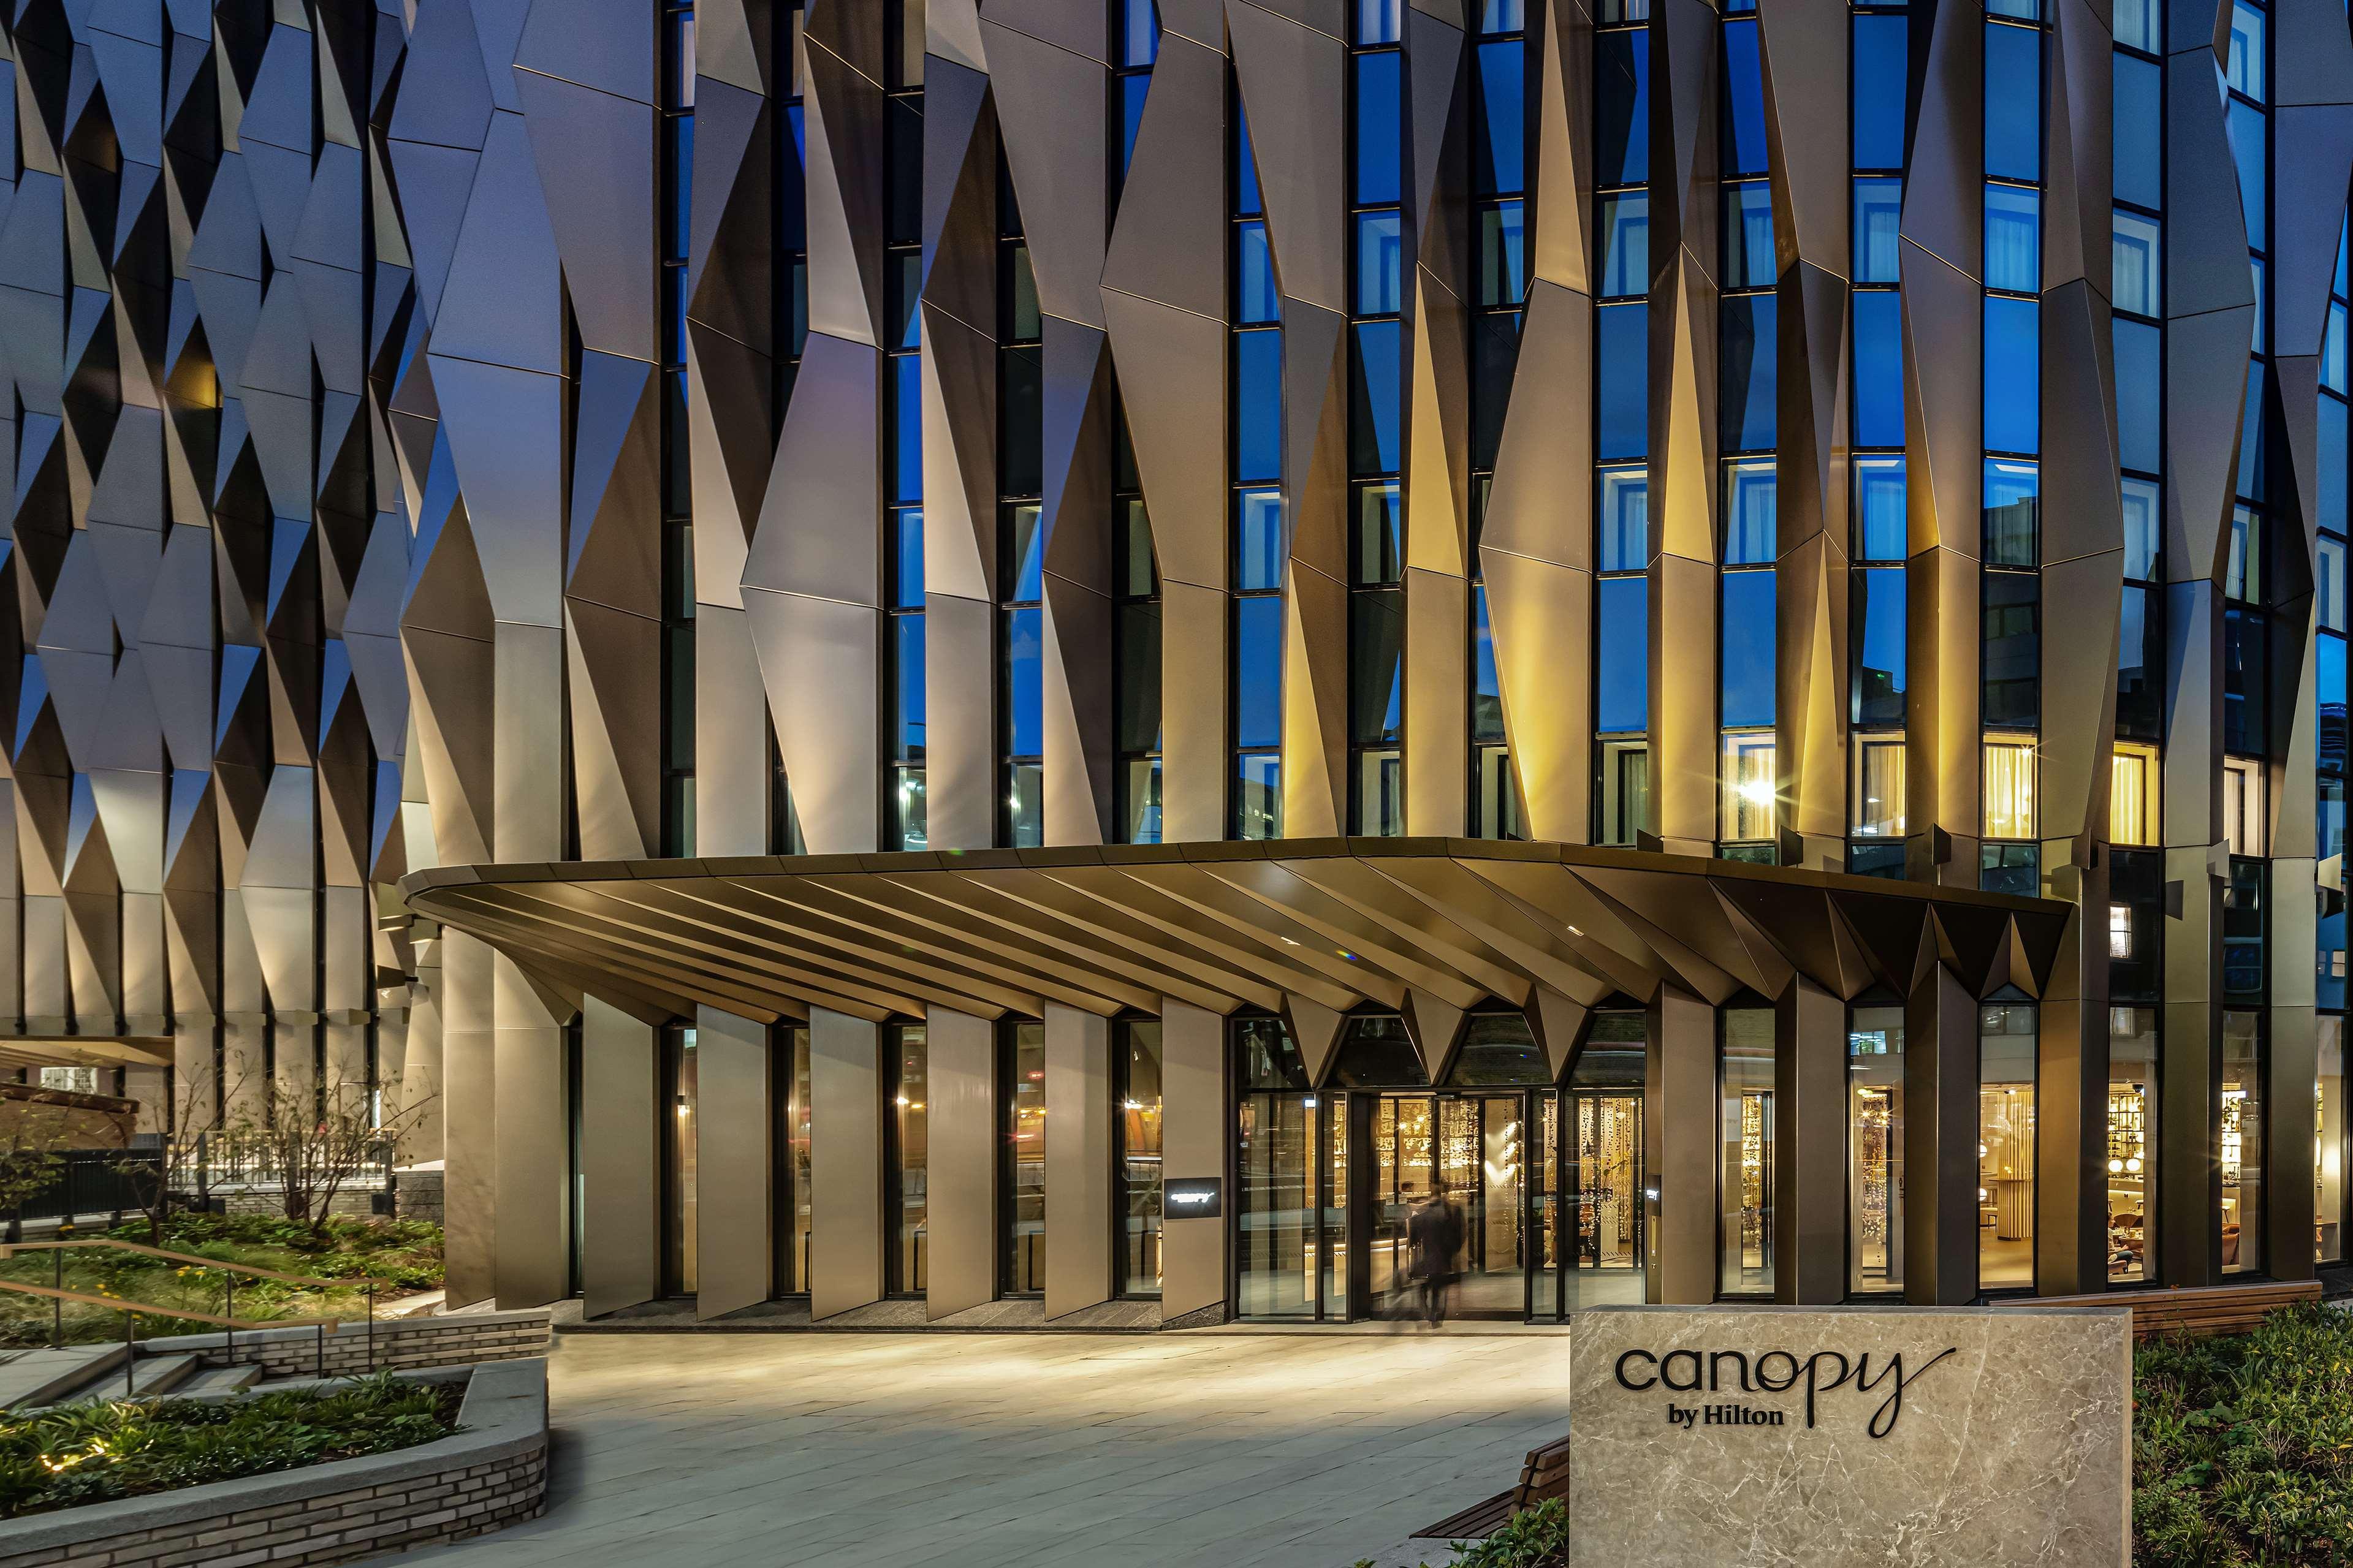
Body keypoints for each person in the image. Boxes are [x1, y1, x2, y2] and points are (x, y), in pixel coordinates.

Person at [1407, 1187, 1466, 1327]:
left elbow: (1413, 1240)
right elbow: (1456, 1236)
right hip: (1442, 1258)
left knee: (1427, 1286)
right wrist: (1453, 1252)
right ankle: (1433, 1316)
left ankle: (1428, 1312)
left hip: (1426, 1258)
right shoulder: (1445, 1217)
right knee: (1437, 1288)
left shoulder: (1422, 1217)